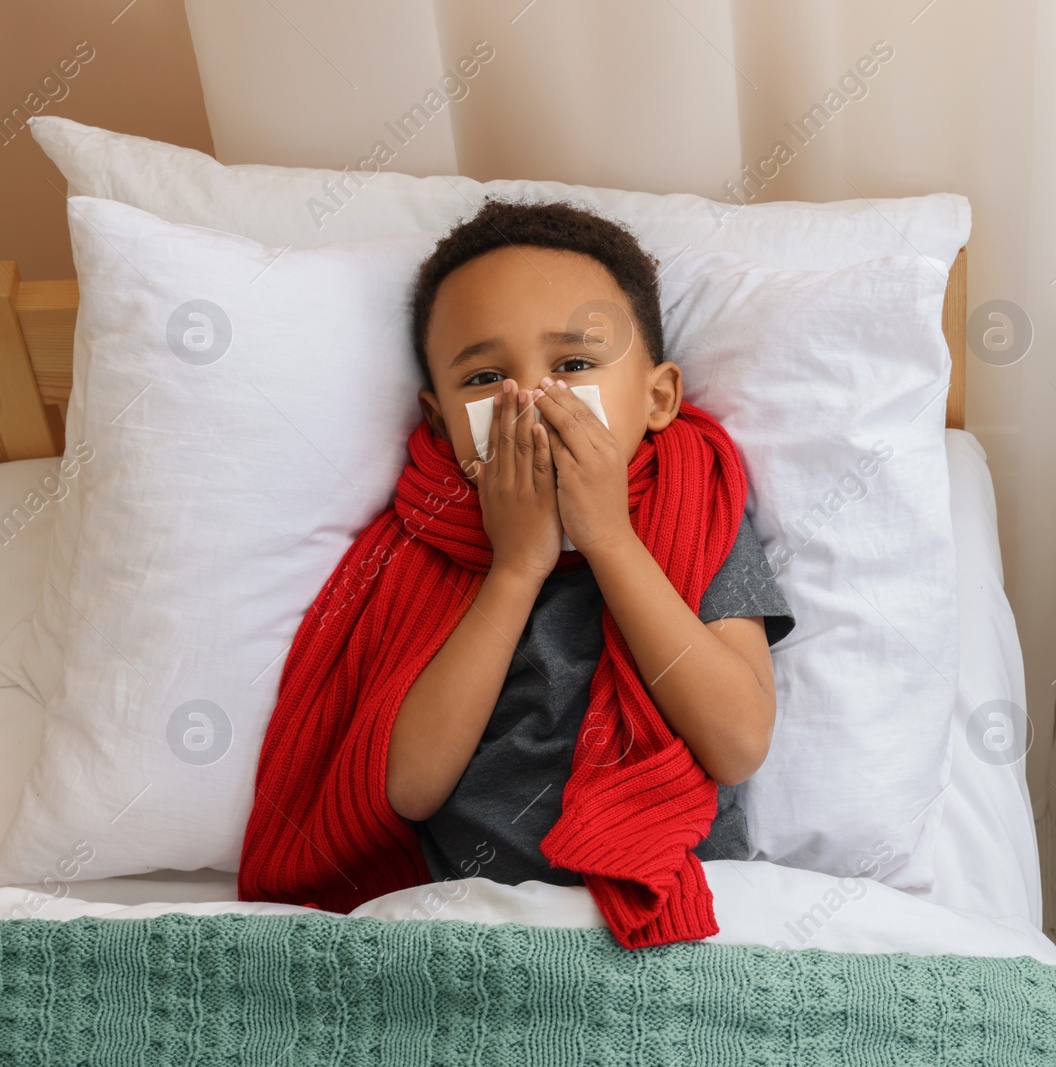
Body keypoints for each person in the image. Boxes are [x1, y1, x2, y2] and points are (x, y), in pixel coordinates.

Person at [238, 198, 793, 947]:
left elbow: (736, 741)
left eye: (573, 365)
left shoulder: (699, 507)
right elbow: (408, 786)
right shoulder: (420, 544)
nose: (531, 399)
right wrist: (517, 565)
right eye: (487, 376)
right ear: (437, 423)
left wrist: (609, 538)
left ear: (658, 398)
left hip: (672, 903)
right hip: (476, 918)